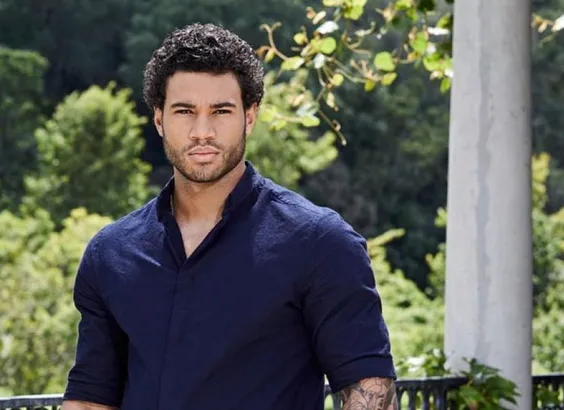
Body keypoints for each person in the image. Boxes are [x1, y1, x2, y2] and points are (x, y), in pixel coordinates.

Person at [61, 22, 397, 410]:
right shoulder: (110, 254)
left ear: (249, 117)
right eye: (184, 111)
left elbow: (370, 390)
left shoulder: (320, 244)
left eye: (221, 111)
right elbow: (90, 399)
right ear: (159, 119)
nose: (202, 131)